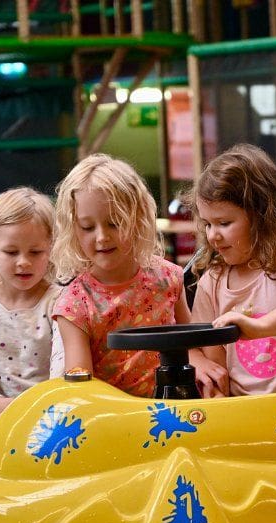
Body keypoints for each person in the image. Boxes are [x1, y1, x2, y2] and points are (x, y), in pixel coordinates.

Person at [186, 143, 276, 397]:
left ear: (262, 216)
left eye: (224, 223)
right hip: (244, 412)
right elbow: (209, 353)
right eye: (207, 224)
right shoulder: (212, 280)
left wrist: (259, 327)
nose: (213, 235)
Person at [51, 153, 198, 397]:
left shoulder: (168, 278)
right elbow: (81, 388)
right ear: (73, 229)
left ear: (138, 218)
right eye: (88, 227)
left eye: (114, 222)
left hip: (174, 410)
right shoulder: (74, 305)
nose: (101, 237)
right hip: (113, 420)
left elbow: (192, 344)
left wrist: (200, 362)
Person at [0, 187, 62, 446]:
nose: (24, 262)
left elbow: (62, 369)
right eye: (11, 252)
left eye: (35, 252)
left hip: (49, 415)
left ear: (50, 247)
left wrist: (40, 411)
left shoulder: (60, 301)